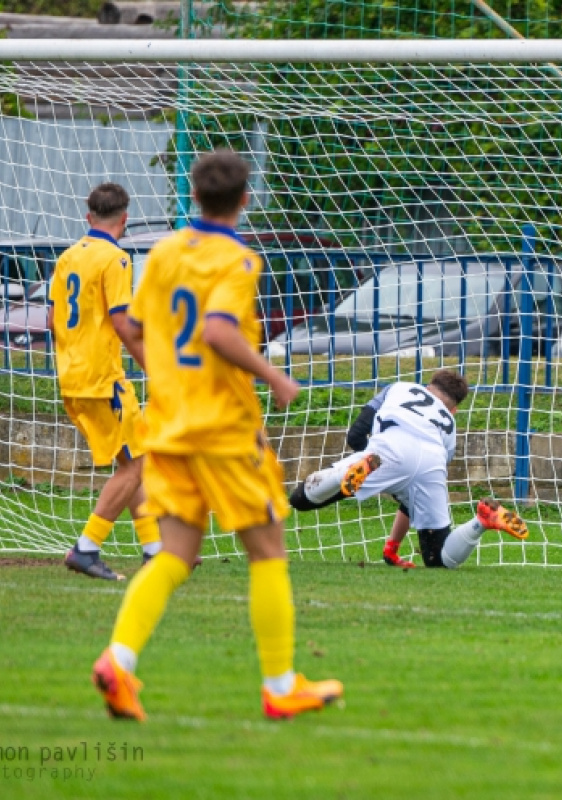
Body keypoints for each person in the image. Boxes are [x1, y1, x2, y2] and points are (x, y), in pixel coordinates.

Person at [91, 149, 343, 721]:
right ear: (245, 200)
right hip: (224, 431)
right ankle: (280, 686)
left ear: (194, 195)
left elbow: (132, 324)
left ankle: (119, 659)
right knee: (268, 550)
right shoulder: (236, 260)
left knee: (176, 554)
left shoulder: (165, 251)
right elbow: (217, 330)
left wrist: (165, 373)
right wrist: (275, 377)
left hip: (172, 426)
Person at [290, 370, 529, 568]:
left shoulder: (399, 388)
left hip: (388, 449)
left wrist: (373, 461)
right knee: (439, 559)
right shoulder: (449, 424)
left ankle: (354, 470)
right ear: (454, 409)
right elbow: (410, 499)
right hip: (432, 462)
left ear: (427, 387)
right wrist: (391, 549)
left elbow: (355, 434)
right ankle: (484, 520)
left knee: (300, 499)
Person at [48, 182, 161, 582]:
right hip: (102, 379)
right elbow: (121, 322)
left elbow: (51, 320)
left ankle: (155, 550)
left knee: (132, 460)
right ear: (125, 219)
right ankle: (86, 547)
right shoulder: (116, 259)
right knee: (135, 465)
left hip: (71, 377)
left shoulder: (65, 258)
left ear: (88, 215)